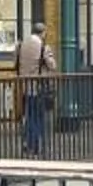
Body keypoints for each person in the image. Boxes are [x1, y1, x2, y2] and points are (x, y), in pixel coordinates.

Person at [14, 23, 57, 156]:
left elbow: (15, 63)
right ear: (43, 33)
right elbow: (52, 65)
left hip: (24, 86)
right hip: (39, 87)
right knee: (38, 117)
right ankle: (37, 145)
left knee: (30, 115)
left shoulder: (20, 45)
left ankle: (28, 143)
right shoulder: (43, 47)